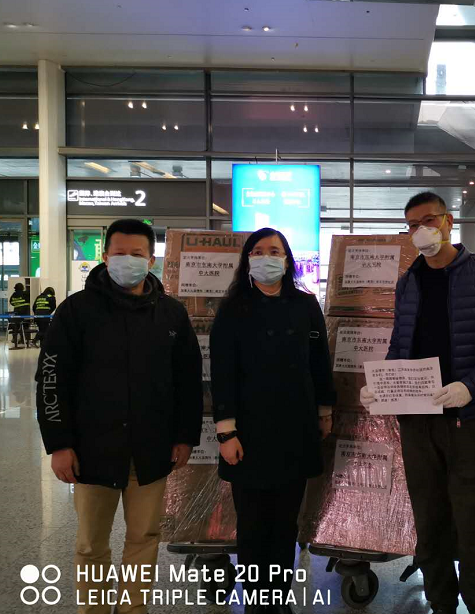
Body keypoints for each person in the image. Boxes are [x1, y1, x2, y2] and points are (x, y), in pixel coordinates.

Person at [360, 192, 475, 614]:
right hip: (418, 419)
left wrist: (471, 386)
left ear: (448, 222)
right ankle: (441, 602)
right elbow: (400, 343)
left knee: (473, 519)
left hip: (469, 418)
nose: (421, 230)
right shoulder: (409, 281)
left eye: (428, 220)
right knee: (428, 518)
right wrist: (381, 383)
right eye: (412, 225)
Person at [36, 219, 203, 614]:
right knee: (91, 543)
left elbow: (188, 381)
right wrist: (59, 444)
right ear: (105, 256)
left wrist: (185, 436)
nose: (128, 260)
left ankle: (132, 609)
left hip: (151, 449)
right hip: (92, 450)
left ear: (151, 259)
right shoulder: (76, 311)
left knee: (144, 537)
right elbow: (51, 379)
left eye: (137, 254)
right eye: (120, 253)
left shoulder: (171, 315)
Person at [210, 228, 335, 614]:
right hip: (247, 432)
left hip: (296, 427)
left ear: (287, 259)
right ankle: (255, 599)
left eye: (275, 251)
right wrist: (226, 431)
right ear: (247, 259)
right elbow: (222, 372)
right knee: (252, 524)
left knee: (285, 525)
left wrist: (325, 411)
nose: (267, 257)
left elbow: (319, 362)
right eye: (258, 251)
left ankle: (278, 598)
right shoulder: (233, 308)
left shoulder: (305, 304)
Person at [8, 282, 31, 349]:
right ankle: (23, 340)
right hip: (25, 312)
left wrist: (17, 304)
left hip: (16, 312)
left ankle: (15, 339)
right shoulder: (25, 293)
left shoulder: (14, 294)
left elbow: (11, 302)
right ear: (22, 287)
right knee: (25, 326)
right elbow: (30, 298)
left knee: (16, 326)